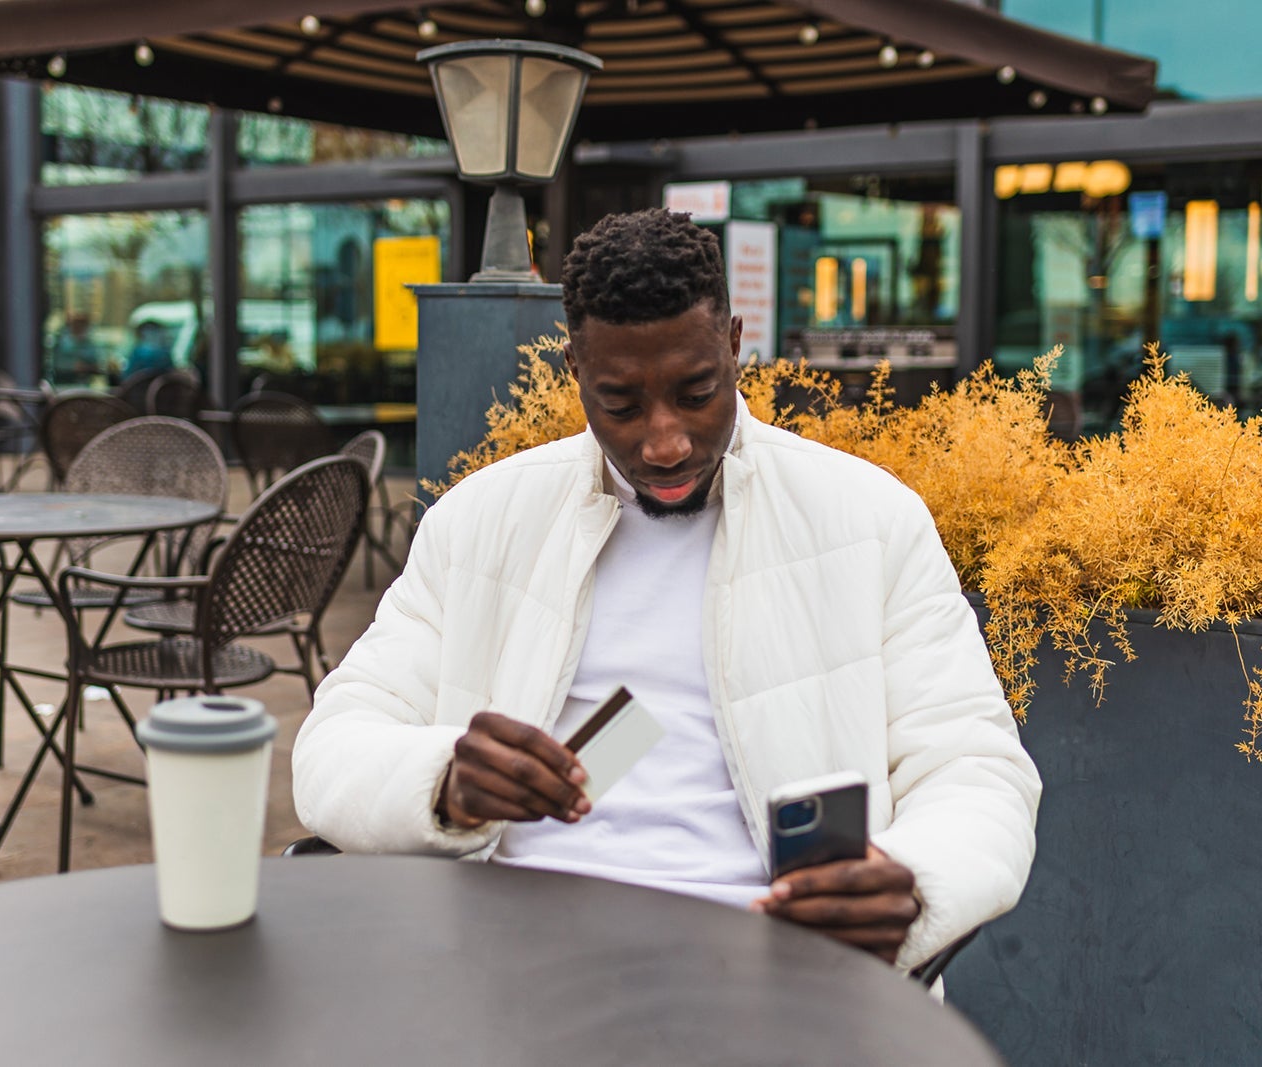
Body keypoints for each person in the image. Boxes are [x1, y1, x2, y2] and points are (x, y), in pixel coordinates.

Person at [292, 208, 1040, 974]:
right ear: (576, 374)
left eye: (696, 391)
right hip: (516, 972)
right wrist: (445, 778)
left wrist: (911, 883)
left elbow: (977, 769)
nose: (666, 440)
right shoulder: (483, 522)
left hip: (779, 975)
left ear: (736, 345)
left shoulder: (869, 520)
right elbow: (330, 750)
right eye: (620, 403)